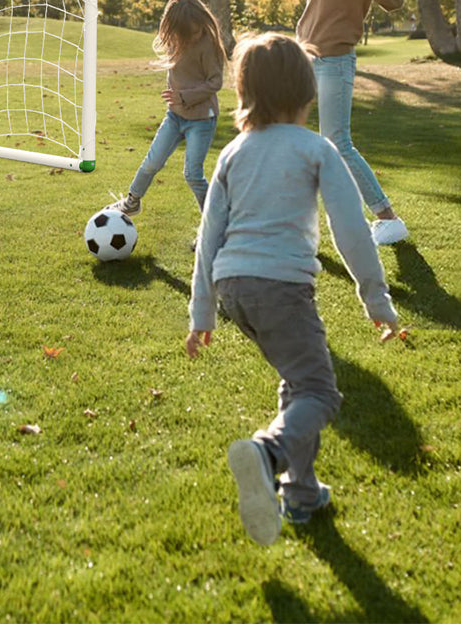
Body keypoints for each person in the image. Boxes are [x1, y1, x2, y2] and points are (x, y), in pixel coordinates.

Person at [186, 32, 401, 547]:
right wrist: (376, 298)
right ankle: (267, 453)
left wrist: (202, 313)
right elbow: (351, 227)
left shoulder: (233, 152)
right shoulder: (316, 148)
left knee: (296, 378)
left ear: (245, 94)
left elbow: (207, 237)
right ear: (307, 94)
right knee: (320, 393)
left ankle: (301, 492)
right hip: (281, 288)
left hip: (234, 288)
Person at [296, 0, 408, 245]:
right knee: (289, 138)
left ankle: (388, 219)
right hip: (305, 55)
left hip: (335, 60)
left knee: (337, 142)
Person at [110, 0, 226, 221]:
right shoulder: (175, 40)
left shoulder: (207, 44)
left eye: (196, 29)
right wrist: (176, 98)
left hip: (202, 119)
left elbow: (216, 82)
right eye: (189, 31)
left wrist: (185, 96)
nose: (194, 34)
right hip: (174, 117)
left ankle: (213, 224)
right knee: (152, 162)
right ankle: (132, 201)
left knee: (193, 175)